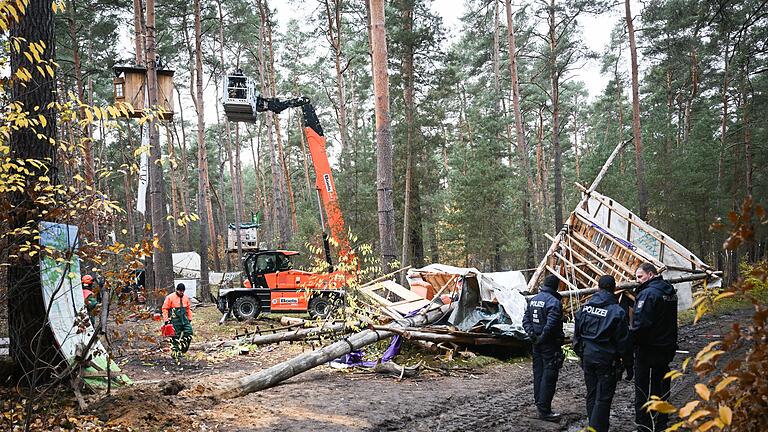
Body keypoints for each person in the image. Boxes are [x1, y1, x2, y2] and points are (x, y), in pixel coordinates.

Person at [573, 275, 633, 432]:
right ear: (613, 289)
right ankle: (597, 429)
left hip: (588, 356)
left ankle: (593, 426)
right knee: (603, 397)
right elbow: (623, 342)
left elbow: (576, 335)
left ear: (598, 288)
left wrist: (581, 353)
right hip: (606, 360)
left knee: (592, 393)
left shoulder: (584, 308)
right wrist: (629, 364)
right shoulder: (617, 312)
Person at [632, 263, 678, 431]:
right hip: (666, 347)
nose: (637, 281)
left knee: (642, 389)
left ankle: (643, 425)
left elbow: (641, 325)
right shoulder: (670, 291)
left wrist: (630, 343)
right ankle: (661, 422)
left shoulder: (648, 294)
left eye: (640, 277)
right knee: (661, 385)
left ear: (650, 275)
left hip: (648, 348)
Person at [522, 274, 565, 422]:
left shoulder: (534, 300)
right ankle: (545, 410)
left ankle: (540, 404)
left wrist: (532, 335)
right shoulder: (554, 302)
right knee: (549, 375)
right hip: (549, 344)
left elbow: (525, 319)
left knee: (538, 373)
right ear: (556, 287)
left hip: (537, 344)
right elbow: (552, 324)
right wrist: (542, 337)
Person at [162, 283, 194, 361]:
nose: (181, 293)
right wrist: (166, 320)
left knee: (189, 332)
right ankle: (175, 353)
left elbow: (188, 309)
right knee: (175, 337)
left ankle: (183, 348)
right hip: (175, 320)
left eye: (183, 291)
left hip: (184, 319)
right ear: (177, 290)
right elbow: (165, 309)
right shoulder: (170, 297)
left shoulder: (186, 298)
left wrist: (189, 318)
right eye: (180, 291)